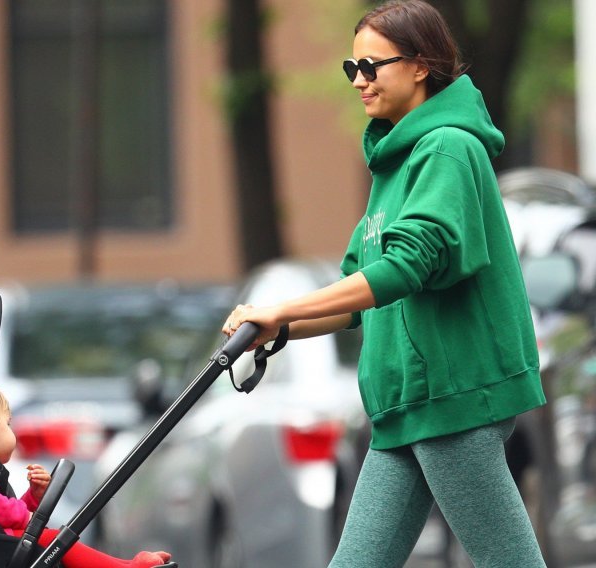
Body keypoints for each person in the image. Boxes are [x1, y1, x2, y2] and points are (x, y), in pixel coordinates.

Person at [222, 1, 547, 566]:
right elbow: (358, 294)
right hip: (403, 407)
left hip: (453, 398)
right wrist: (274, 328)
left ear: (421, 65)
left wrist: (283, 310)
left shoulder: (448, 148)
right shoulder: (394, 162)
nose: (359, 81)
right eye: (352, 69)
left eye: (372, 66)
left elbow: (407, 267)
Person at [0, 385, 171, 568]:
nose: (12, 430)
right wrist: (30, 518)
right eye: (8, 424)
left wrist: (33, 497)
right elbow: (1, 514)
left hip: (0, 540)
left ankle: (123, 565)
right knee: (56, 540)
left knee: (54, 539)